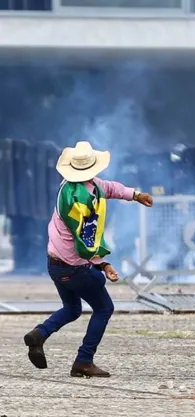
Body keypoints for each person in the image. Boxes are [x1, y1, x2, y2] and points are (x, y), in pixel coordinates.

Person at [23, 141, 154, 378]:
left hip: (55, 263)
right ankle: (84, 360)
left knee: (72, 308)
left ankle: (39, 334)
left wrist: (134, 195)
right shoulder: (77, 203)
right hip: (74, 266)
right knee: (104, 307)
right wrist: (104, 265)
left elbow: (110, 188)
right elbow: (86, 242)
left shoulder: (76, 186)